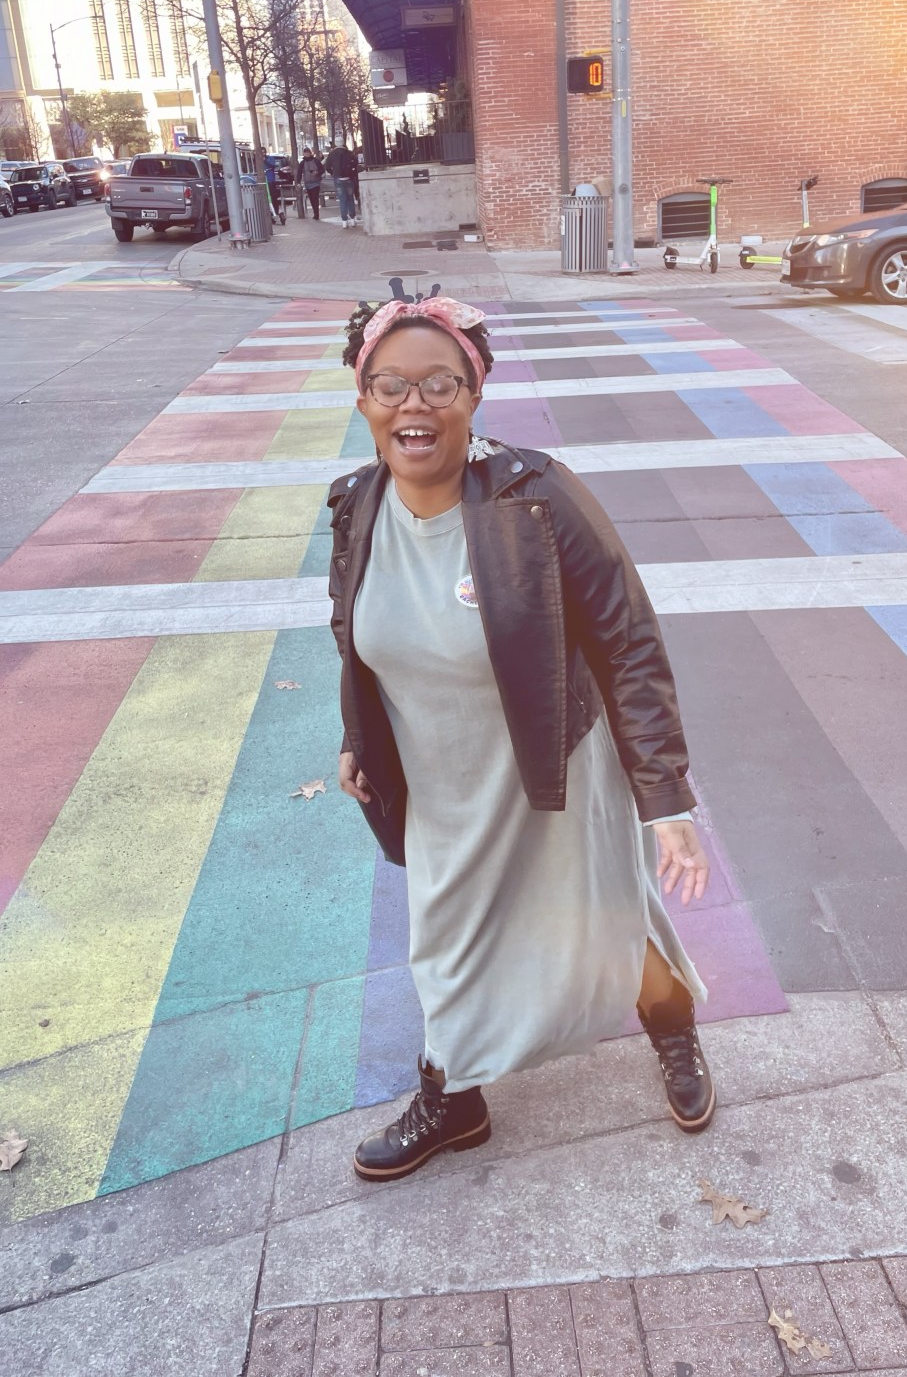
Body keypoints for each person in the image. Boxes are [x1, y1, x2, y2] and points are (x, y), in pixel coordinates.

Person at [328, 295, 714, 1184]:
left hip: (553, 765)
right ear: (364, 401)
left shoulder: (536, 498)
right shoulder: (354, 506)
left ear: (474, 396)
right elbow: (354, 633)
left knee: (606, 911)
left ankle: (674, 1028)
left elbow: (628, 642)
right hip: (437, 777)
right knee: (447, 935)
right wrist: (356, 734)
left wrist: (666, 800)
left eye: (438, 384)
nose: (413, 405)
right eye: (392, 386)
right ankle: (456, 1099)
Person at [324, 139, 359, 228]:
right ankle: (353, 219)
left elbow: (327, 166)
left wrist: (333, 173)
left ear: (335, 144)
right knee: (350, 198)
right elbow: (355, 163)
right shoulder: (349, 153)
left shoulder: (332, 154)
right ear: (343, 143)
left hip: (338, 179)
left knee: (342, 200)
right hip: (348, 179)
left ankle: (344, 221)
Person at [299, 147, 324, 220]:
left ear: (310, 153)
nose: (307, 154)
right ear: (303, 154)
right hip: (308, 184)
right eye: (305, 153)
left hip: (316, 182)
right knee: (312, 199)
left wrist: (317, 173)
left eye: (308, 152)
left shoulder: (316, 161)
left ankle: (316, 214)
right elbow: (299, 173)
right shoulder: (302, 163)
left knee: (315, 198)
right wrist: (298, 181)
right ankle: (315, 212)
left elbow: (322, 170)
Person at [262, 147, 285, 224]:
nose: (262, 154)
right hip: (263, 182)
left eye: (263, 152)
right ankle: (269, 213)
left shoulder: (270, 158)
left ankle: (275, 211)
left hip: (270, 181)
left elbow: (273, 165)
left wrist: (265, 160)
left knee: (273, 197)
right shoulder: (258, 160)